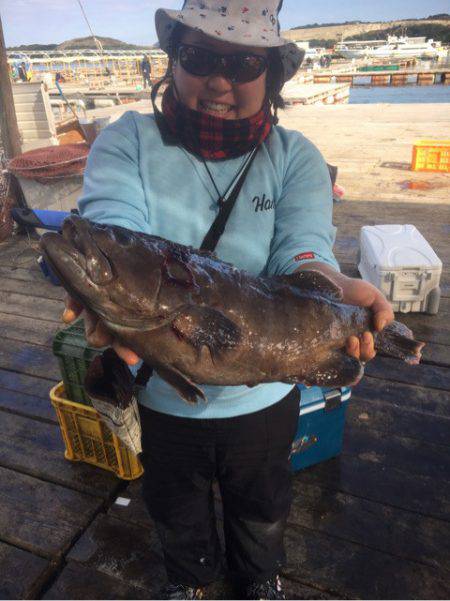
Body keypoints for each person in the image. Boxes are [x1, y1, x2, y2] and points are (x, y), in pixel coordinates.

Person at [63, 1, 394, 599]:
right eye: (200, 56)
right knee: (173, 504)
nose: (220, 79)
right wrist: (104, 291)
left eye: (243, 62)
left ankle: (259, 579)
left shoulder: (295, 159)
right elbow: (112, 218)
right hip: (162, 401)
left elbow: (301, 253)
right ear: (174, 59)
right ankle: (189, 582)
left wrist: (339, 289)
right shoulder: (127, 140)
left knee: (263, 503)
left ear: (271, 75)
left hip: (264, 397)